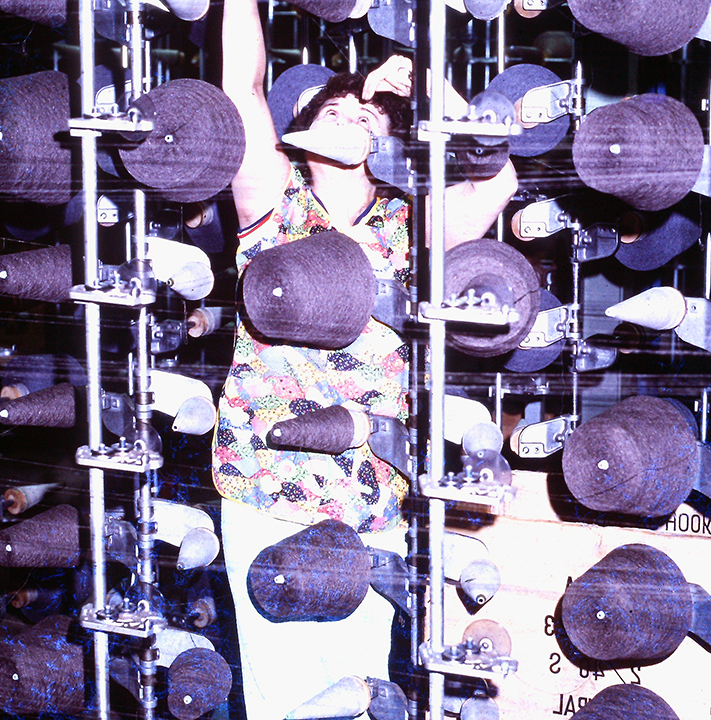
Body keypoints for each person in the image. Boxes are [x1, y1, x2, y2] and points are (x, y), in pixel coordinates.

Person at [214, 0, 519, 716]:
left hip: (372, 501)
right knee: (284, 702)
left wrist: (425, 83)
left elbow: (497, 181)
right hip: (267, 493)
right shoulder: (272, 204)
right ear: (302, 131)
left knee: (356, 696)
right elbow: (241, 87)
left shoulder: (412, 226)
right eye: (335, 108)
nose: (353, 113)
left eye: (368, 111)